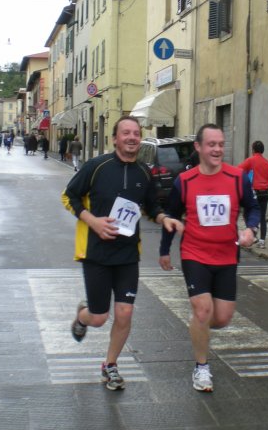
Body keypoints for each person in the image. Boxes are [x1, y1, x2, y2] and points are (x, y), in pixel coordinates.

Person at [63, 116, 183, 391]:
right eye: (125, 133)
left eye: (136, 133)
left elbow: (152, 206)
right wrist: (93, 221)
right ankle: (83, 316)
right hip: (96, 254)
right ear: (115, 138)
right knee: (99, 317)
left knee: (125, 313)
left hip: (128, 254)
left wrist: (163, 218)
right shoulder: (96, 167)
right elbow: (69, 196)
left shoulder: (144, 172)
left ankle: (111, 366)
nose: (131, 137)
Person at [159, 124, 260, 392]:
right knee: (203, 309)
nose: (217, 149)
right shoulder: (185, 180)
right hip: (194, 253)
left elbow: (253, 207)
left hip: (227, 255)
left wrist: (250, 228)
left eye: (220, 144)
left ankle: (198, 327)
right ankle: (201, 367)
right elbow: (170, 215)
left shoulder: (238, 178)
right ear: (199, 147)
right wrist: (164, 250)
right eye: (211, 144)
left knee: (223, 318)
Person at [238, 141, 268, 249]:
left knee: (248, 214)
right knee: (262, 216)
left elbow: (238, 170)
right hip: (264, 193)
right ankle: (262, 241)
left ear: (253, 150)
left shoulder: (250, 160)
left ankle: (252, 235)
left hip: (253, 193)